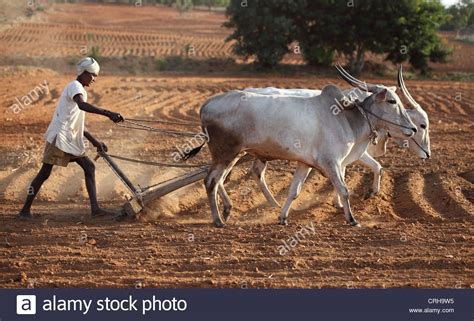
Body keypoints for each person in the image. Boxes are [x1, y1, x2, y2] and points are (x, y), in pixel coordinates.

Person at [18, 57, 124, 219]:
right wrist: (108, 113)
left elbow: (77, 123)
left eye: (95, 75)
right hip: (59, 137)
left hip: (68, 138)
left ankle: (95, 210)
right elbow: (82, 106)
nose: (94, 79)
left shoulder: (79, 89)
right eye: (92, 75)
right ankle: (24, 211)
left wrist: (95, 142)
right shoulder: (75, 87)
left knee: (88, 167)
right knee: (44, 173)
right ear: (83, 73)